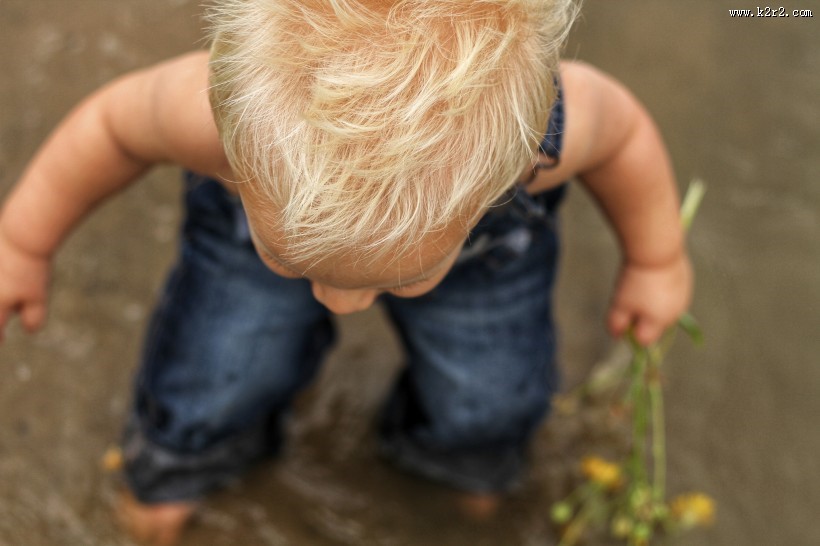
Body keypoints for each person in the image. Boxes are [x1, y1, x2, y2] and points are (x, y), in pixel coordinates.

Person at [0, 0, 691, 544]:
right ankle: (181, 465)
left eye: (403, 275)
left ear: (512, 173)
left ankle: (466, 461)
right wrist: (22, 243)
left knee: (490, 392)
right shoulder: (218, 122)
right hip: (253, 223)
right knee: (217, 366)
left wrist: (654, 259)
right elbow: (110, 130)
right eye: (292, 261)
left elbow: (625, 137)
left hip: (483, 260)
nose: (343, 302)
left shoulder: (534, 144)